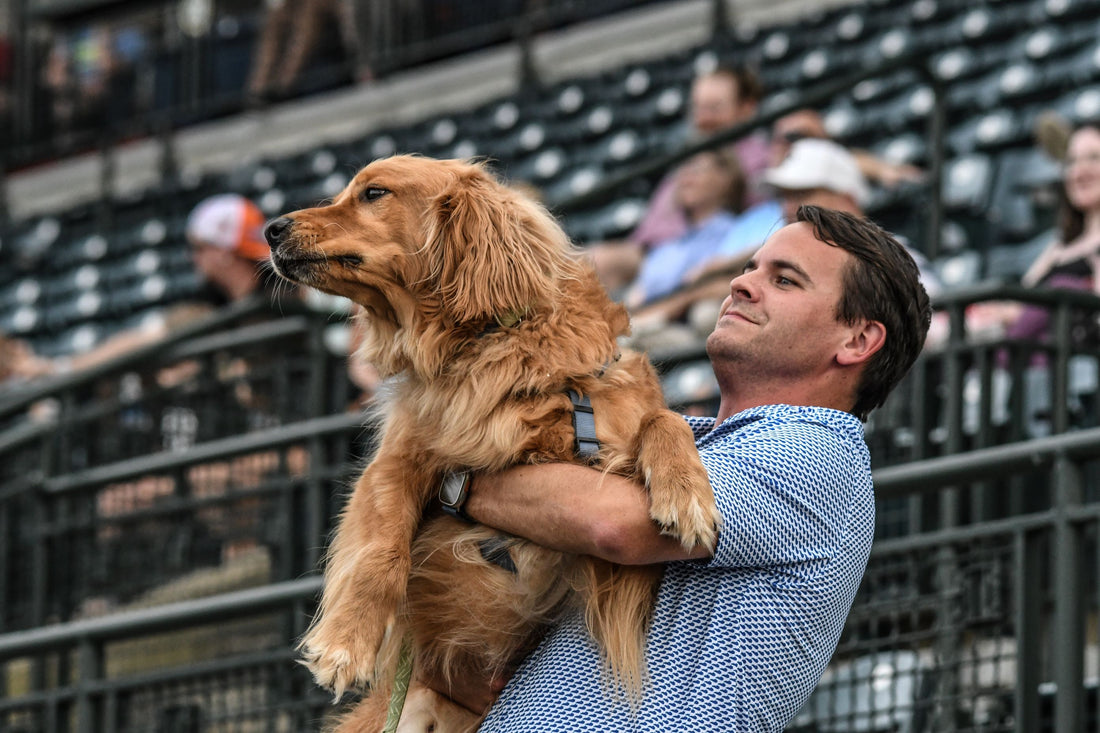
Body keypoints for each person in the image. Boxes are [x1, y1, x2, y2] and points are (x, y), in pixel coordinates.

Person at [430, 205, 932, 730]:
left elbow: (615, 523)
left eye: (784, 280)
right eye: (751, 267)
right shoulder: (687, 438)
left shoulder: (819, 452)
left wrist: (450, 480)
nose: (741, 284)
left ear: (857, 341)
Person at [628, 137, 940, 348]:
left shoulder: (889, 257)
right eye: (784, 197)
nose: (789, 208)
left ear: (846, 198)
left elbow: (931, 322)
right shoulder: (778, 254)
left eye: (803, 194)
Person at [588, 65, 768, 292]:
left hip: (708, 249)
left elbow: (754, 224)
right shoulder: (690, 151)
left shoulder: (760, 157)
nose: (704, 118)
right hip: (654, 252)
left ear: (747, 108)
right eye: (699, 108)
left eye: (715, 108)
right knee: (591, 261)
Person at [620, 148, 746, 311]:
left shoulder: (738, 230)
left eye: (697, 170)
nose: (686, 177)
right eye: (683, 169)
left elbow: (707, 279)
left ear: (726, 180)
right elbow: (638, 294)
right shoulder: (670, 243)